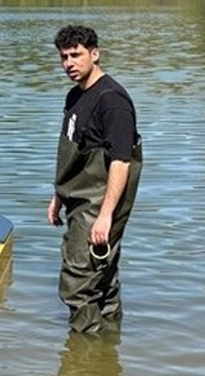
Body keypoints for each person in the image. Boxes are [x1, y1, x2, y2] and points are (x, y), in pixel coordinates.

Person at [47, 25, 143, 334]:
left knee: (78, 281)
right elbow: (72, 152)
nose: (69, 64)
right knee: (103, 278)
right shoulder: (75, 96)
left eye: (76, 55)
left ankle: (83, 357)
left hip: (99, 203)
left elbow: (121, 162)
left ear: (95, 54)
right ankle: (108, 349)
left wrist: (105, 215)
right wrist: (59, 195)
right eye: (64, 57)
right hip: (78, 197)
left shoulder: (112, 102)